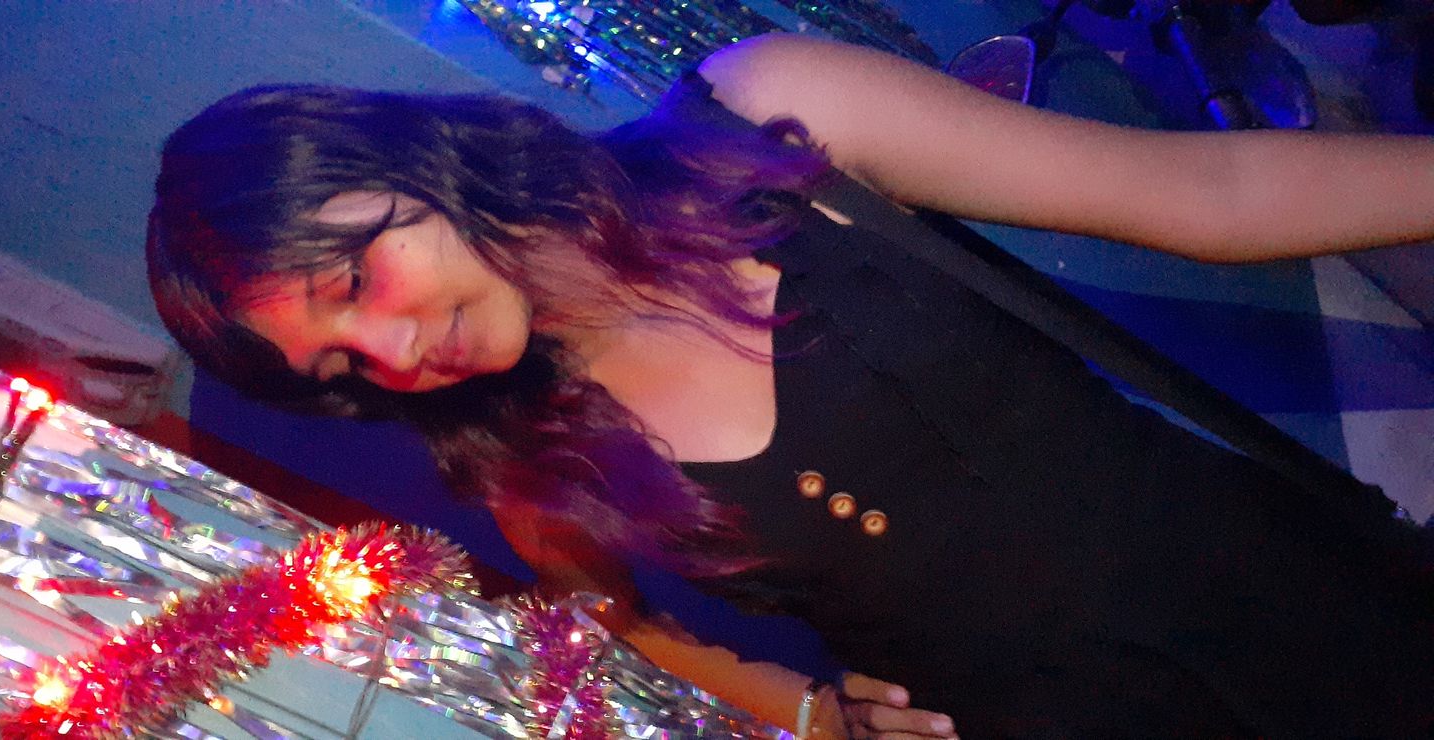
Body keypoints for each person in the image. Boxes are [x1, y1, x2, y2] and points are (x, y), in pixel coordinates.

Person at [146, 33, 1434, 738]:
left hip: (1283, 594)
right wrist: (819, 719)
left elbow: (1206, 191)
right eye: (341, 364)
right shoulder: (520, 454)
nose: (392, 355)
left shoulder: (760, 121)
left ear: (399, 159)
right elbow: (612, 623)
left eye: (355, 278)